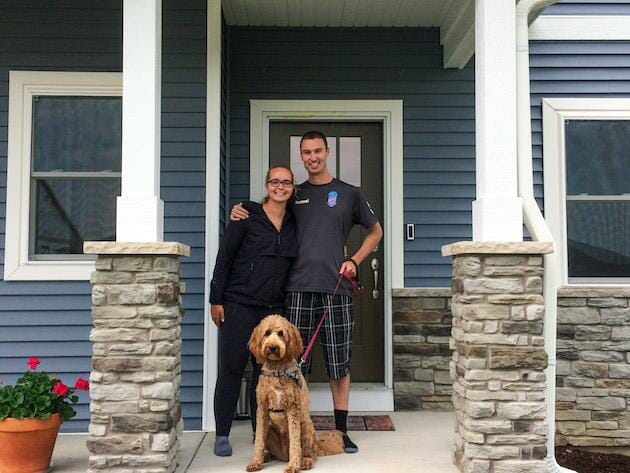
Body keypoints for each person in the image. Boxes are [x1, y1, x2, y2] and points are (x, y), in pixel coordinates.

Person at [231, 130, 383, 453]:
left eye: (317, 151)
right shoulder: (293, 193)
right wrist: (240, 209)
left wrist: (355, 260)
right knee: (293, 363)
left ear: (327, 152)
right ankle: (296, 431)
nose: (312, 157)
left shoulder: (348, 193)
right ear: (301, 156)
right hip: (298, 290)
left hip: (336, 291)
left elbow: (375, 231)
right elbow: (266, 210)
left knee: (339, 363)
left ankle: (341, 432)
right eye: (306, 152)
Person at [210, 165, 297, 457]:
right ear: (267, 185)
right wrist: (215, 299)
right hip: (238, 304)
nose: (280, 187)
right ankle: (222, 434)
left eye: (286, 182)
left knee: (264, 374)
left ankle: (258, 434)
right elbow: (225, 257)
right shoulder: (245, 215)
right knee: (232, 369)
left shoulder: (295, 220)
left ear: (292, 187)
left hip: (273, 310)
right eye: (275, 181)